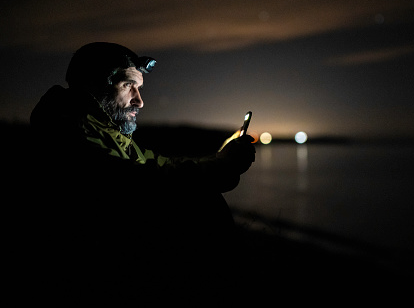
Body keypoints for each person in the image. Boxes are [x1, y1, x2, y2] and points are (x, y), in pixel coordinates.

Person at [27, 42, 256, 304]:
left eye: (139, 88)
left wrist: (216, 160)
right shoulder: (65, 127)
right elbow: (131, 184)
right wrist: (217, 169)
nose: (140, 100)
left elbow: (153, 164)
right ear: (95, 83)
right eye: (128, 86)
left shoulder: (104, 128)